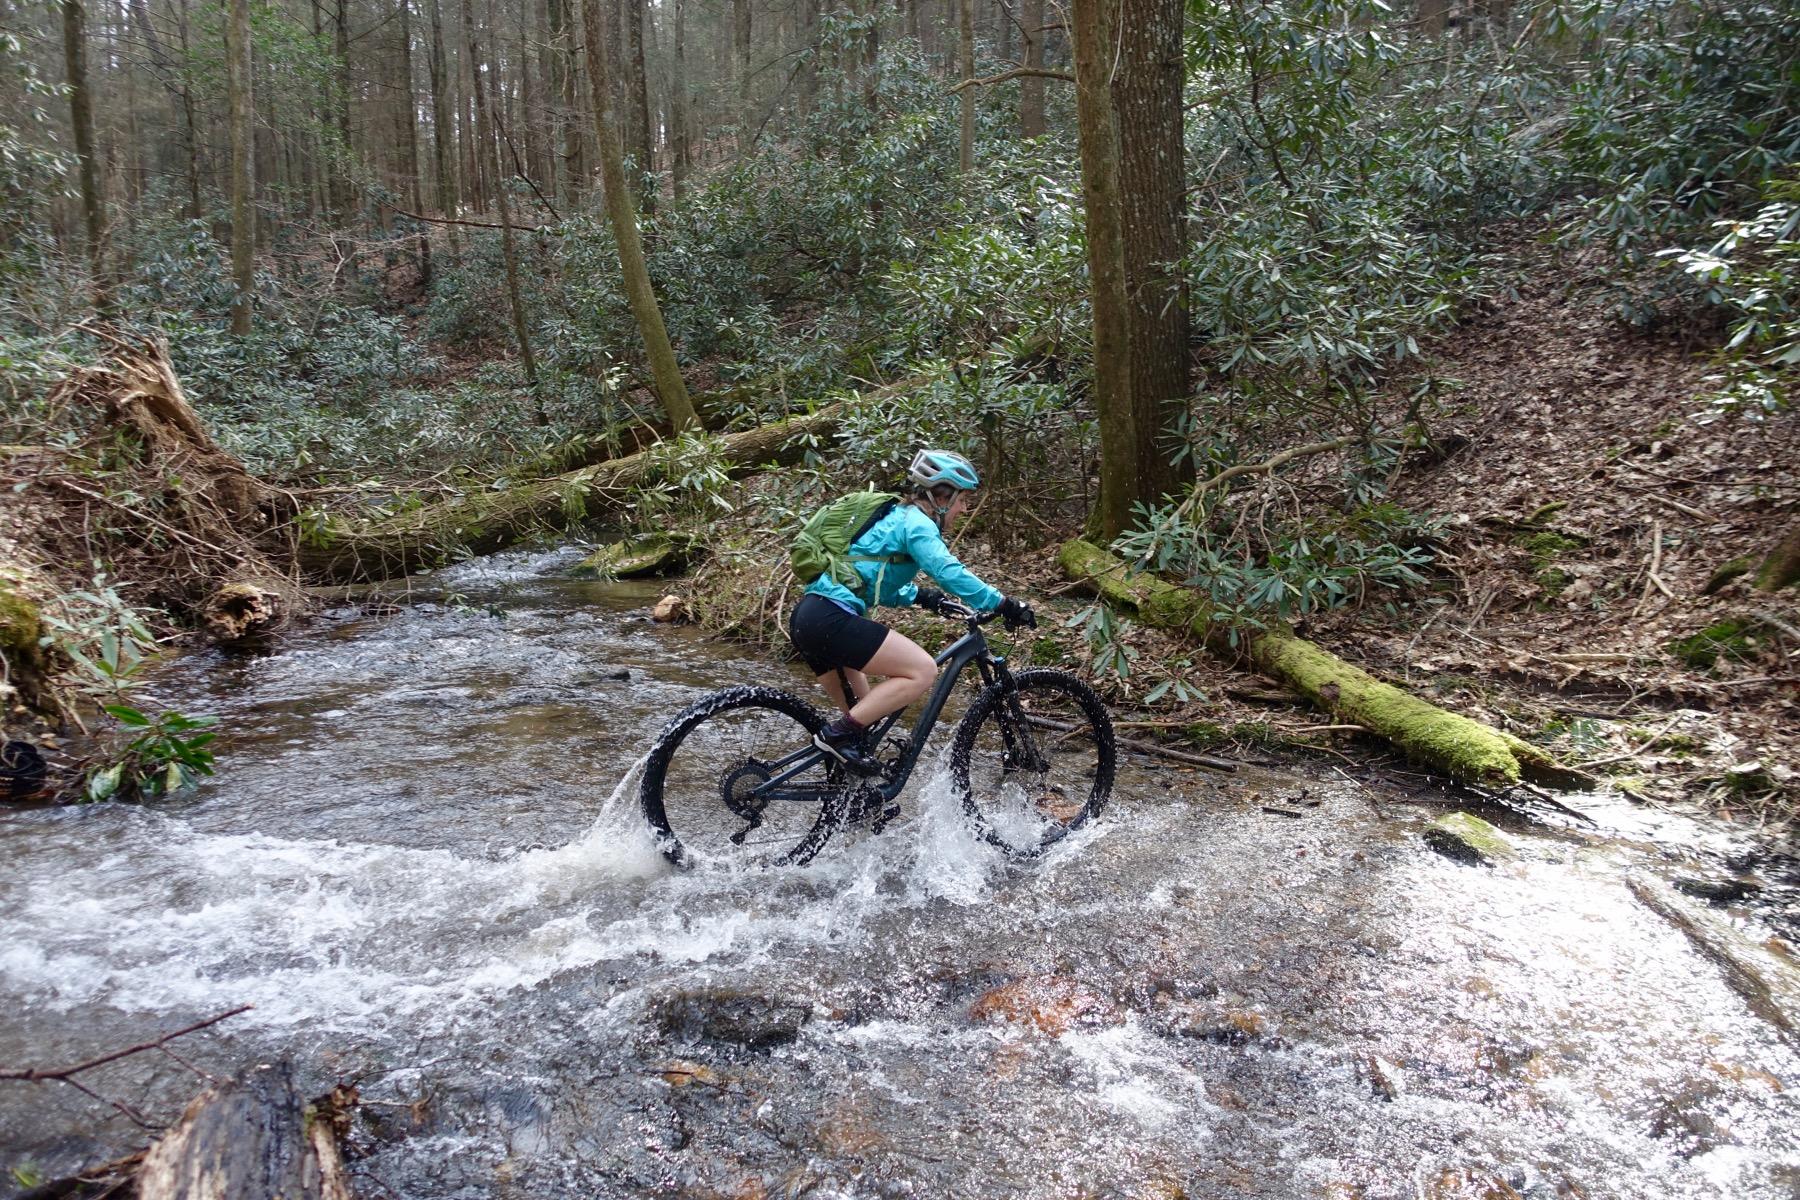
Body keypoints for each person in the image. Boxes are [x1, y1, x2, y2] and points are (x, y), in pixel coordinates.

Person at [787, 448, 1035, 773]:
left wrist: (927, 599)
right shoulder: (918, 524)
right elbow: (946, 569)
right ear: (942, 496)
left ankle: (853, 802)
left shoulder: (896, 518)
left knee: (863, 728)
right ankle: (832, 737)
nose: (964, 507)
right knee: (922, 671)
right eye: (962, 499)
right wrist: (1002, 603)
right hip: (832, 621)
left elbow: (875, 579)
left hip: (810, 618)